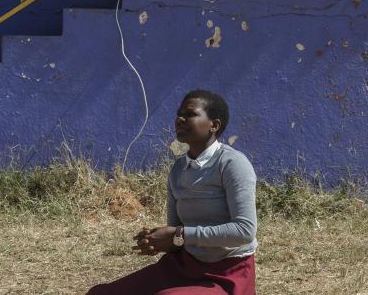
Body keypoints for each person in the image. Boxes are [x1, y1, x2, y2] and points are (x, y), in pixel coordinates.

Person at [88, 90, 258, 295]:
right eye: (179, 114)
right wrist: (158, 241)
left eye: (190, 114)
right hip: (183, 267)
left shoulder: (232, 164)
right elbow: (178, 235)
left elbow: (244, 231)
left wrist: (179, 235)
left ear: (214, 125)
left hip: (227, 273)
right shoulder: (178, 169)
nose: (180, 119)